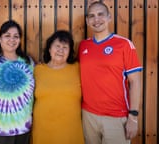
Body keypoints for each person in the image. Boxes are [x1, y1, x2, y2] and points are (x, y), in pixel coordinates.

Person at [78, 1, 143, 144]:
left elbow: (135, 81)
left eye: (101, 14)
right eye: (92, 16)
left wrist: (133, 116)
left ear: (109, 17)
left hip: (116, 118)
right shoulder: (83, 46)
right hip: (88, 116)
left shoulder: (124, 44)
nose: (96, 19)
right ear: (88, 21)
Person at [32, 30, 84, 144]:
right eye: (57, 46)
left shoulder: (78, 69)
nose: (61, 50)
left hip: (70, 131)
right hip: (42, 129)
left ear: (69, 51)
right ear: (50, 49)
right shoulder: (38, 70)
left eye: (65, 47)